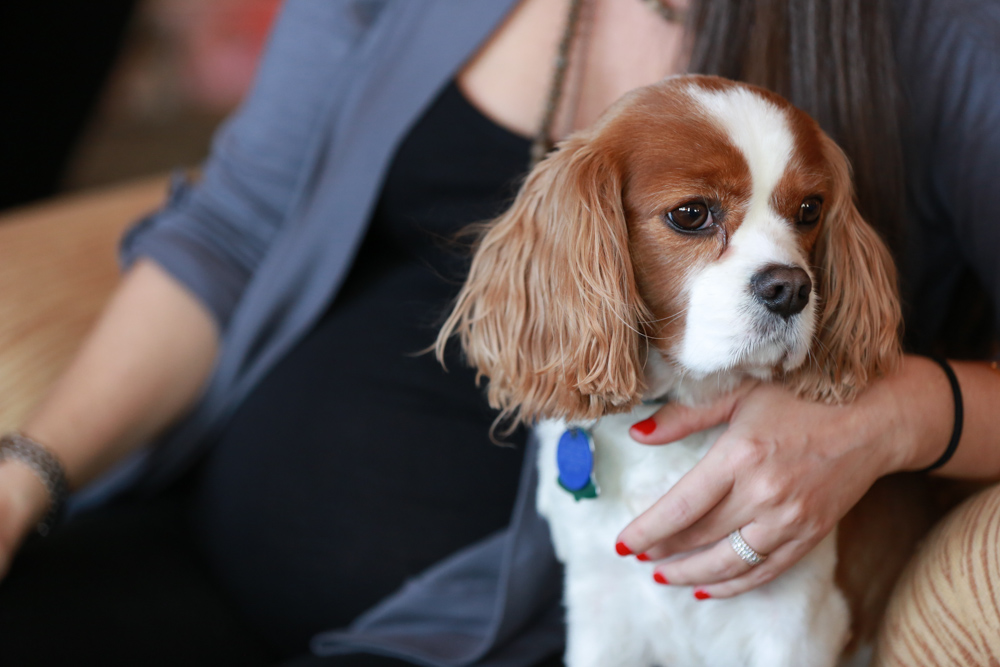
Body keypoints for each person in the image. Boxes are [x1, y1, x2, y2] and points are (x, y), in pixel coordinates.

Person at [0, 0, 997, 665]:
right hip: (195, 525)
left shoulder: (939, 27)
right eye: (695, 215)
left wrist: (902, 410)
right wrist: (21, 477)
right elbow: (232, 230)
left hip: (464, 636)